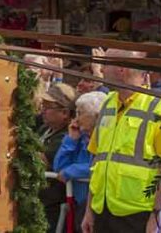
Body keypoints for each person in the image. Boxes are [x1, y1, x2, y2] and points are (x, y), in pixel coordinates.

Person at [82, 49, 161, 233]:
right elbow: (98, 162)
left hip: (138, 214)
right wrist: (89, 211)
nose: (101, 70)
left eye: (105, 64)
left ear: (121, 69)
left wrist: (156, 215)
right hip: (103, 210)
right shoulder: (108, 103)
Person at [54, 91, 108, 232]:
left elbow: (99, 166)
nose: (76, 119)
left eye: (80, 113)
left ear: (96, 116)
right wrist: (71, 140)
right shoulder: (80, 137)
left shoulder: (106, 136)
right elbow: (59, 167)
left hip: (97, 204)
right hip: (79, 204)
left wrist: (72, 170)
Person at [40, 82, 77, 228]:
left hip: (53, 203)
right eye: (43, 106)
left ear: (65, 113)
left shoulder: (67, 135)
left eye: (48, 107)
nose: (43, 111)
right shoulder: (45, 129)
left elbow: (42, 160)